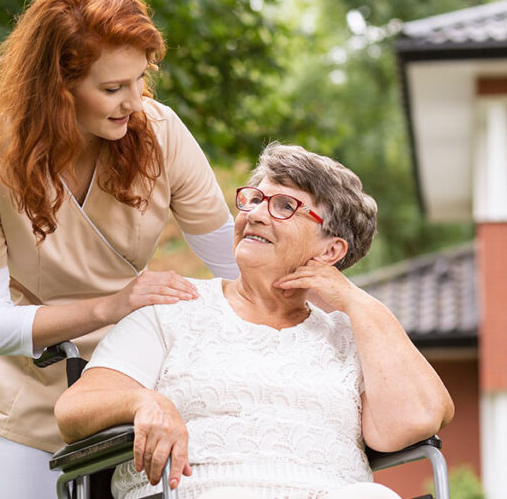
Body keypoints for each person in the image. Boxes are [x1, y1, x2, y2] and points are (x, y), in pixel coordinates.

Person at [0, 0, 240, 499]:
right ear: (57, 89)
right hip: (23, 393)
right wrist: (111, 305)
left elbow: (235, 261)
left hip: (128, 380)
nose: (134, 102)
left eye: (139, 79)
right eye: (112, 88)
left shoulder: (160, 131)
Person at [54, 143, 456, 499]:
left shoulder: (352, 337)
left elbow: (416, 420)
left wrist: (356, 302)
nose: (256, 214)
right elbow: (74, 410)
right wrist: (144, 400)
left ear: (331, 250)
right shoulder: (174, 309)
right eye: (254, 199)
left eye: (284, 206)